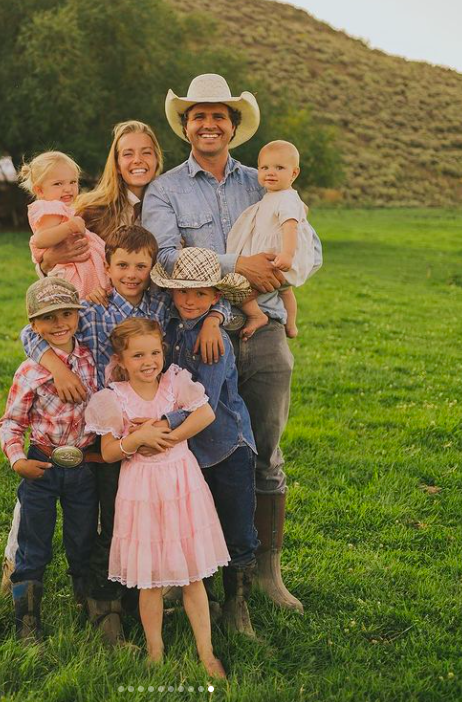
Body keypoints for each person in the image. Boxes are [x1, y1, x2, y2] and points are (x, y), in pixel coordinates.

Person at [143, 73, 323, 613]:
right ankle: (192, 571)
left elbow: (304, 240)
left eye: (218, 114)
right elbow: (162, 258)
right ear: (185, 126)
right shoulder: (166, 189)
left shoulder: (265, 180)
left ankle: (266, 573)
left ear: (234, 124)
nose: (208, 123)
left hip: (262, 329)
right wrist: (235, 266)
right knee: (196, 450)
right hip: (199, 339)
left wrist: (286, 273)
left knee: (265, 453)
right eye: (198, 115)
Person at [4, 226, 229, 645]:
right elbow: (30, 331)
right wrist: (58, 368)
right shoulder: (89, 310)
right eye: (122, 265)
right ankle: (105, 605)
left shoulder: (163, 303)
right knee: (112, 520)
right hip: (105, 430)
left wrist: (216, 317)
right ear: (106, 267)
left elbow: (210, 302)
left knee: (162, 519)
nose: (131, 273)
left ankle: (181, 594)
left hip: (154, 424)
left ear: (151, 269)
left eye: (140, 266)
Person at [85, 318, 228, 678]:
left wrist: (170, 436)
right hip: (142, 490)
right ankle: (155, 649)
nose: (148, 361)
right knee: (150, 578)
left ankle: (206, 652)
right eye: (137, 355)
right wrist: (135, 440)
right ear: (122, 359)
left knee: (192, 574)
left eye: (154, 352)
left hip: (181, 481)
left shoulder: (173, 382)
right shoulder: (113, 398)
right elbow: (109, 452)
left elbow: (206, 413)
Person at [151, 246, 260, 637]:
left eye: (200, 293)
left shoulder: (216, 342)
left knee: (236, 527)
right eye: (182, 292)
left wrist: (160, 424)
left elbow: (205, 403)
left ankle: (237, 604)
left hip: (225, 445)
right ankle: (206, 599)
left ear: (216, 296)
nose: (189, 300)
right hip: (191, 451)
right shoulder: (171, 329)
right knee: (198, 524)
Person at [0, 278, 99, 643]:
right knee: (34, 539)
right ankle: (27, 618)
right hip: (42, 464)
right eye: (48, 318)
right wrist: (18, 460)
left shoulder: (91, 361)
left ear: (78, 316)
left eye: (67, 314)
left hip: (84, 467)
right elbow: (11, 422)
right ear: (33, 324)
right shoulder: (30, 372)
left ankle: (87, 604)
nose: (59, 324)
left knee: (83, 537)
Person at [37, 121, 163, 277]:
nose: (137, 159)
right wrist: (47, 262)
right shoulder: (91, 210)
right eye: (128, 154)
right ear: (117, 163)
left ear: (157, 159)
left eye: (146, 152)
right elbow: (55, 262)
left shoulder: (171, 207)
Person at [227, 140, 316, 340]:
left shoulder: (287, 199)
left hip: (276, 259)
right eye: (264, 167)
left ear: (294, 173)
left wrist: (287, 254)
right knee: (286, 293)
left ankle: (257, 316)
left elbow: (290, 226)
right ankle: (291, 325)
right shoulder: (272, 196)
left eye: (279, 168)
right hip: (273, 259)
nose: (270, 172)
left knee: (240, 292)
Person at [19, 151, 109, 298]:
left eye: (73, 182)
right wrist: (70, 227)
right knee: (77, 297)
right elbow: (40, 240)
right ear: (39, 190)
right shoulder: (48, 208)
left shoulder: (64, 208)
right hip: (67, 271)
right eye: (58, 184)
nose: (68, 188)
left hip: (75, 266)